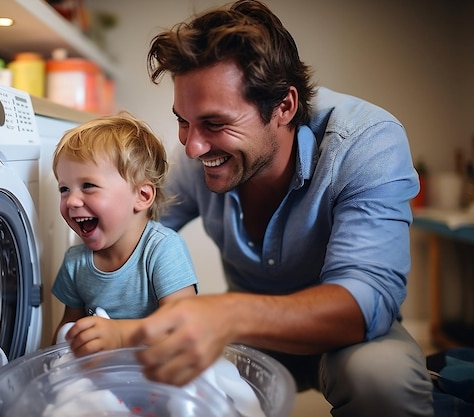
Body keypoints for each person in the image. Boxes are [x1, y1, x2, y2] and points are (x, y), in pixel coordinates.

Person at [125, 1, 434, 416]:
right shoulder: (199, 158)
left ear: (284, 107)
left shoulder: (366, 140)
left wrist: (228, 313)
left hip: (345, 338)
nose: (193, 146)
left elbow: (368, 299)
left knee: (381, 380)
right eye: (184, 121)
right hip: (246, 338)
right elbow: (135, 241)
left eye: (215, 124)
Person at [50, 112, 198, 354]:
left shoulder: (163, 250)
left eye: (88, 186)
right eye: (64, 189)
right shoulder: (75, 262)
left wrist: (120, 336)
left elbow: (183, 327)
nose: (72, 201)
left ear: (142, 196)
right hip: (102, 378)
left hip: (159, 374)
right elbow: (67, 330)